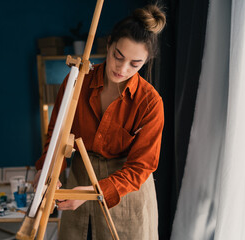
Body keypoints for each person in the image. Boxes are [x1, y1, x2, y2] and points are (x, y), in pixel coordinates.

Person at [34, 4, 166, 240]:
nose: (122, 68)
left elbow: (141, 167)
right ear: (108, 45)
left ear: (145, 62)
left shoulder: (150, 103)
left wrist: (96, 192)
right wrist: (46, 172)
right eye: (118, 56)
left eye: (134, 64)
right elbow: (57, 133)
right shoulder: (77, 82)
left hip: (124, 190)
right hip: (79, 178)